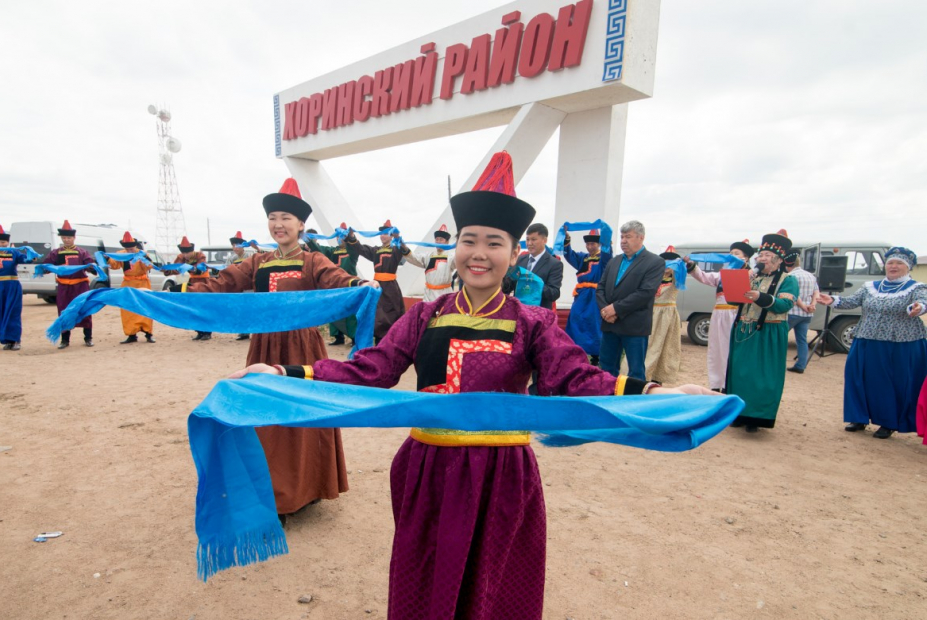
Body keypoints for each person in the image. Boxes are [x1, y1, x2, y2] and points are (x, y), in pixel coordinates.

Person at [233, 152, 717, 620]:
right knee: (425, 583)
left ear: (513, 254)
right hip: (428, 469)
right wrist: (284, 374)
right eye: (469, 240)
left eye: (494, 243)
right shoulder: (425, 314)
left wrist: (653, 394)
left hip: (503, 475)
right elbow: (371, 369)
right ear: (456, 248)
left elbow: (577, 377)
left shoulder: (534, 322)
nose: (479, 254)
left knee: (495, 587)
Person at [186, 178, 377, 519]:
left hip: (302, 347)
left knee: (303, 414)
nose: (278, 224)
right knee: (265, 417)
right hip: (263, 347)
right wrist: (182, 295)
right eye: (273, 217)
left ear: (301, 224)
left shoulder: (313, 260)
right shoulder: (257, 262)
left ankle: (310, 487)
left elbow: (337, 279)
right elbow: (223, 283)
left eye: (286, 217)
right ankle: (274, 494)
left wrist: (360, 284)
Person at [816, 247, 927, 439]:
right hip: (866, 339)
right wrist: (832, 300)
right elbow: (851, 301)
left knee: (892, 383)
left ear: (908, 267)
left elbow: (922, 302)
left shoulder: (916, 288)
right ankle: (858, 417)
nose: (893, 266)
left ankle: (888, 422)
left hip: (899, 343)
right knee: (858, 377)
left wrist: (918, 307)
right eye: (890, 262)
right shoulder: (871, 286)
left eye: (899, 263)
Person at [725, 230, 798, 432]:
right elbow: (733, 299)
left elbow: (784, 305)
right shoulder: (752, 276)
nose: (762, 259)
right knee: (741, 373)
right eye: (761, 255)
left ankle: (757, 417)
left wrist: (760, 296)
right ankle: (739, 413)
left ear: (778, 260)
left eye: (766, 256)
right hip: (743, 329)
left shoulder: (788, 280)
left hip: (769, 332)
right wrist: (737, 283)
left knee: (762, 376)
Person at [595, 221, 666, 381]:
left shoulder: (654, 262)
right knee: (606, 367)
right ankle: (607, 399)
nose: (623, 241)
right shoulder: (614, 261)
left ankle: (633, 403)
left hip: (634, 325)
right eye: (621, 237)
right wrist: (606, 310)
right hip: (610, 323)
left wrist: (616, 309)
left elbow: (645, 292)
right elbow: (600, 288)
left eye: (628, 237)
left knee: (635, 371)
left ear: (641, 238)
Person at [687, 240, 755, 392]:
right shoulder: (722, 275)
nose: (732, 257)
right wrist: (691, 265)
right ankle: (717, 384)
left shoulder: (752, 275)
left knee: (730, 349)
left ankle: (731, 382)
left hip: (735, 314)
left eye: (736, 254)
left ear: (746, 258)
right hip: (719, 314)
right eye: (730, 254)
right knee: (716, 349)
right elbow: (704, 277)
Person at [346, 219, 414, 344]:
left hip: (391, 287)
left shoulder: (396, 250)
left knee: (392, 312)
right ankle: (379, 339)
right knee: (377, 312)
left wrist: (399, 239)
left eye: (385, 233)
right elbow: (360, 248)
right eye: (381, 233)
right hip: (377, 285)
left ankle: (391, 339)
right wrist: (351, 236)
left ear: (391, 235)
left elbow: (405, 250)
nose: (382, 236)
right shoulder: (375, 250)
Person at [563, 227, 612, 365]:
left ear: (599, 244)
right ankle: (577, 350)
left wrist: (607, 237)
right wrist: (566, 238)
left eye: (593, 244)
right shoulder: (582, 258)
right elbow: (569, 254)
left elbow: (608, 254)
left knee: (594, 323)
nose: (590, 246)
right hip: (581, 295)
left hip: (596, 296)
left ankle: (597, 355)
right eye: (588, 244)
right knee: (576, 319)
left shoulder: (603, 258)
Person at [43, 220, 95, 349]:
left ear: (74, 238)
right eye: (64, 238)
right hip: (64, 286)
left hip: (80, 286)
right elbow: (47, 264)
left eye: (69, 238)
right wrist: (44, 268)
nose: (67, 240)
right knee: (63, 311)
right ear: (61, 238)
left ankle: (88, 338)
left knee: (84, 309)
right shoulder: (56, 252)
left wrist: (93, 267)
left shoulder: (82, 252)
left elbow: (89, 264)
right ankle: (65, 340)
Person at [306, 224, 358, 345]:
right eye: (338, 236)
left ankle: (354, 337)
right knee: (334, 311)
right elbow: (319, 250)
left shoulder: (353, 251)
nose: (339, 239)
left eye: (341, 236)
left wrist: (350, 238)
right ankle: (338, 337)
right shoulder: (332, 251)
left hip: (349, 285)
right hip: (335, 285)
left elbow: (354, 247)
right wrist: (308, 239)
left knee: (350, 313)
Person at [642, 246, 683, 384]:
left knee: (664, 348)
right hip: (651, 314)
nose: (667, 266)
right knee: (648, 345)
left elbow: (681, 273)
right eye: (665, 262)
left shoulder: (676, 280)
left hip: (667, 317)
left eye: (671, 263)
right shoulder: (654, 279)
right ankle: (644, 374)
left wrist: (680, 265)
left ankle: (657, 377)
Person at [109, 232, 155, 344]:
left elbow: (149, 266)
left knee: (145, 306)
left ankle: (148, 333)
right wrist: (107, 258)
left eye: (131, 248)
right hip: (128, 283)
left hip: (143, 283)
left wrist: (144, 257)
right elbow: (114, 266)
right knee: (127, 308)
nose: (129, 250)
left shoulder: (142, 253)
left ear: (135, 246)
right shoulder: (121, 254)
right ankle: (131, 334)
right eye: (127, 248)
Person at [509, 223, 562, 310]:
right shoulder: (519, 260)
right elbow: (509, 286)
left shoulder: (554, 264)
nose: (529, 243)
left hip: (539, 315)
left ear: (544, 240)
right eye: (527, 239)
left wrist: (534, 282)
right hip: (518, 312)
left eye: (533, 239)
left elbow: (554, 293)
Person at [169, 236, 212, 341]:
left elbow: (201, 269)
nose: (185, 255)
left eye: (187, 253)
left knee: (204, 306)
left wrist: (190, 267)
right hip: (192, 282)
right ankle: (199, 331)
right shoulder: (181, 257)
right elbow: (176, 268)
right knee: (192, 306)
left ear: (192, 251)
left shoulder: (200, 255)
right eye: (183, 253)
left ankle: (207, 332)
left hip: (203, 282)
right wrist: (166, 269)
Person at [784, 250, 819, 374]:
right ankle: (801, 365)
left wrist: (803, 306)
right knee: (802, 340)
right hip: (807, 314)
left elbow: (794, 294)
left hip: (793, 311)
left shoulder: (791, 276)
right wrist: (812, 305)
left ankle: (778, 363)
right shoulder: (811, 275)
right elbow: (816, 292)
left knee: (781, 338)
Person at [405, 225, 455, 303]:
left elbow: (459, 261)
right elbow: (414, 258)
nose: (438, 241)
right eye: (437, 239)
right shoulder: (428, 256)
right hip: (429, 295)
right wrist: (403, 247)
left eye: (441, 239)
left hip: (445, 294)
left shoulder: (451, 257)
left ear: (447, 242)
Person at [227, 231, 253, 341]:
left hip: (248, 286)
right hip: (237, 287)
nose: (235, 248)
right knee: (239, 309)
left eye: (237, 245)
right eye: (233, 246)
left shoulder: (250, 256)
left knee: (249, 309)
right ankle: (243, 332)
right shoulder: (231, 259)